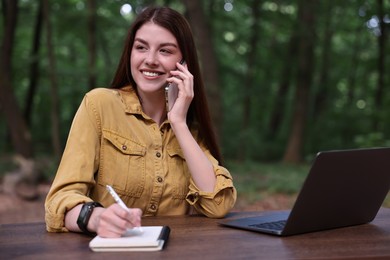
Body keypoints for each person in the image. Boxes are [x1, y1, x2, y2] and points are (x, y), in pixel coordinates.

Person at [45, 6, 236, 238]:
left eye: (165, 51)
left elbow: (218, 205)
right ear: (130, 53)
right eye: (141, 47)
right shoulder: (99, 105)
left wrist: (178, 123)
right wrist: (96, 218)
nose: (151, 60)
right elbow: (60, 199)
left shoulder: (190, 127)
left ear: (184, 64)